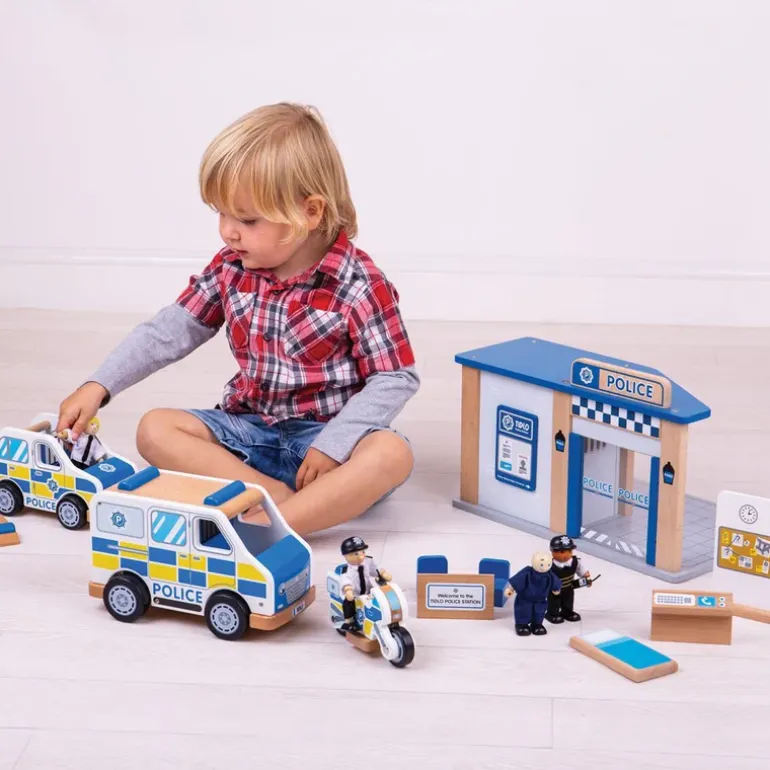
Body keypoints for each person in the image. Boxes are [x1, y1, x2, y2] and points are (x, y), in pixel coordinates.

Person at [55, 103, 419, 535]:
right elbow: (170, 330)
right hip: (249, 435)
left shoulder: (359, 284)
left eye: (246, 219)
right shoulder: (230, 267)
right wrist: (100, 384)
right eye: (221, 214)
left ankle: (273, 525)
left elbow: (395, 377)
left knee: (392, 454)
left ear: (310, 212)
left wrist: (335, 446)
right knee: (154, 429)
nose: (228, 231)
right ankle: (270, 497)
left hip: (326, 447)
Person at [337, 536, 391, 632]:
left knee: (379, 598)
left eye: (363, 552)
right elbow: (345, 580)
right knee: (349, 603)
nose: (361, 556)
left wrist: (382, 573)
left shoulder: (367, 561)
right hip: (355, 594)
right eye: (356, 554)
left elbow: (375, 569)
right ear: (346, 556)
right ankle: (348, 621)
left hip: (367, 591)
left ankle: (383, 616)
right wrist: (348, 590)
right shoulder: (346, 570)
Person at [504, 552, 562, 637]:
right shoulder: (528, 572)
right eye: (542, 565)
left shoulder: (549, 574)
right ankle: (522, 624)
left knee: (539, 612)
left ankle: (537, 624)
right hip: (525, 599)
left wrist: (556, 589)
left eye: (548, 565)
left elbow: (555, 582)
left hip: (540, 600)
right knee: (523, 611)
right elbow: (518, 579)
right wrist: (510, 589)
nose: (544, 567)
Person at [546, 534, 593, 624]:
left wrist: (587, 577)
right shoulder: (549, 565)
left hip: (569, 587)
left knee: (568, 600)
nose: (566, 555)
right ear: (553, 552)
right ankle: (552, 614)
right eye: (562, 552)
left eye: (569, 551)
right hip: (554, 590)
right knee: (554, 602)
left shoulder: (575, 562)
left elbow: (581, 570)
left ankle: (567, 612)